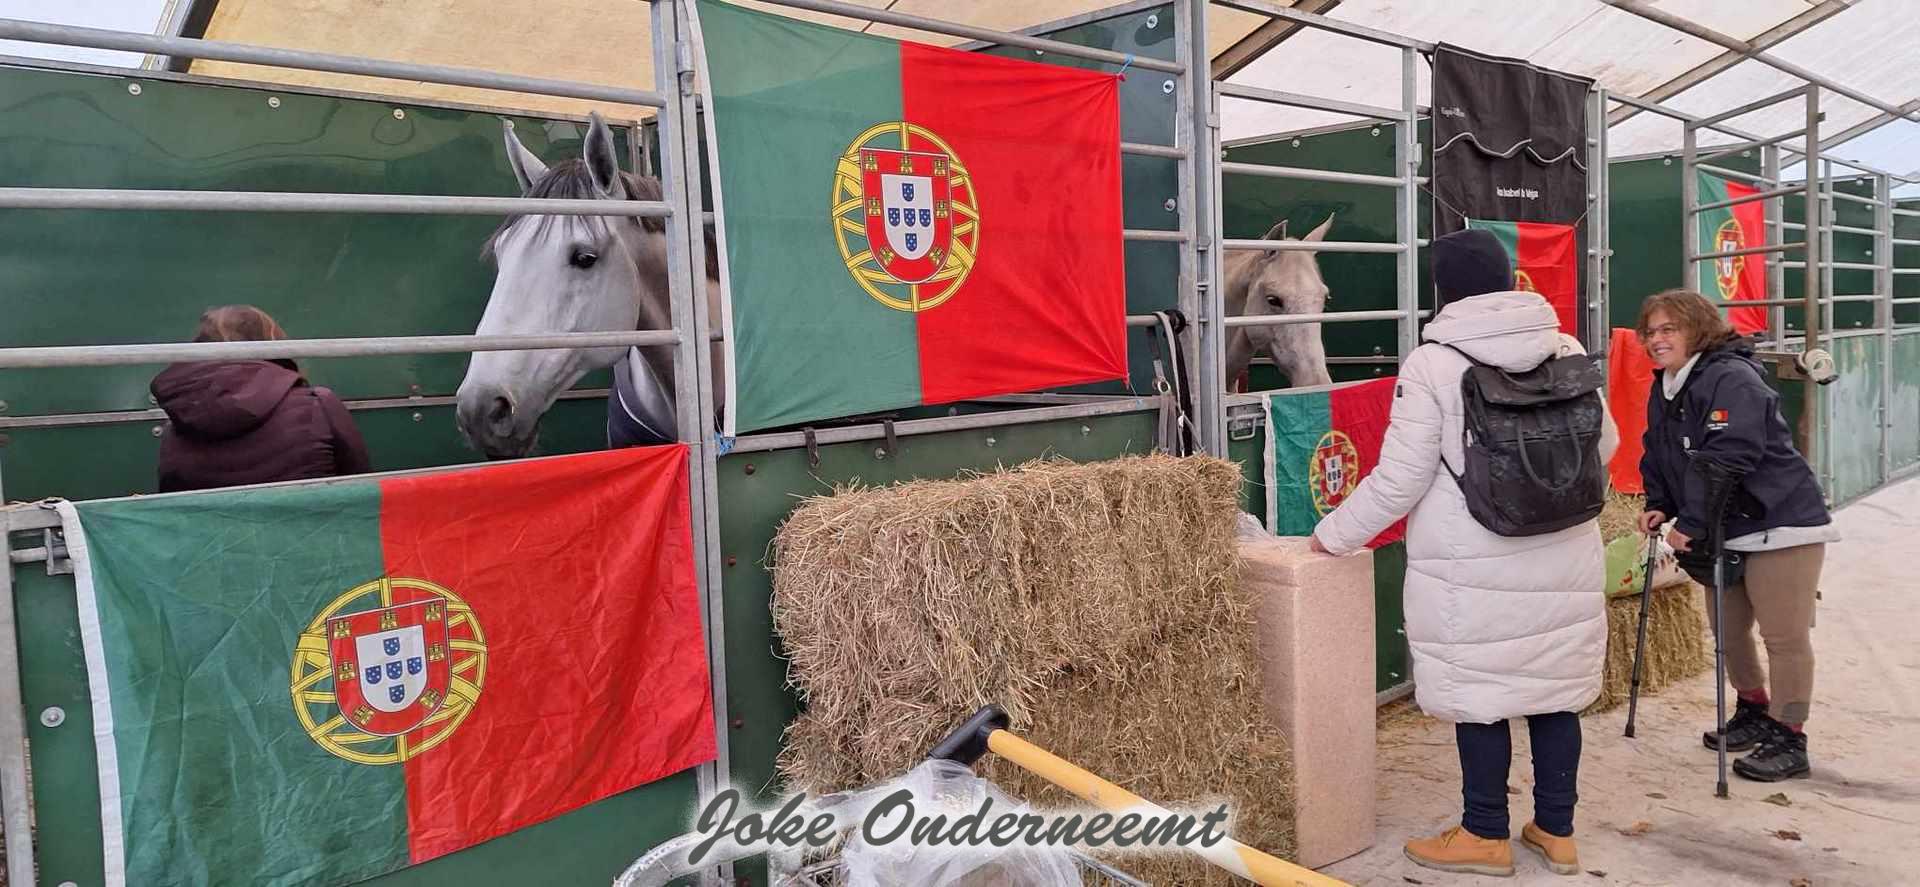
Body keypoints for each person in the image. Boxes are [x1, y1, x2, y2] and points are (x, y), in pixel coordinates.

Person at [1309, 228, 1617, 877]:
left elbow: (1400, 479)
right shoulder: (1562, 344)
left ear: (1443, 288)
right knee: (1554, 690)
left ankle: (1483, 833)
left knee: (1484, 693)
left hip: (1474, 557)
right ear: (1507, 278)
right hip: (1564, 544)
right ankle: (1556, 830)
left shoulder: (1435, 362)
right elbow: (1606, 443)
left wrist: (1331, 536)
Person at [1634, 288, 1834, 782]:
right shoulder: (1666, 384)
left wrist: (1694, 524)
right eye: (1651, 332)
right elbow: (1658, 451)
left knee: (1783, 636)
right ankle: (1752, 708)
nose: (1657, 340)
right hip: (1726, 526)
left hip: (1780, 523)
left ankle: (1791, 735)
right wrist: (1660, 503)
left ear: (1698, 329)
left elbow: (1727, 457)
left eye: (1669, 329)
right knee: (1728, 629)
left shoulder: (1731, 377)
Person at [152, 305, 371, 492]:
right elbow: (362, 488)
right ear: (274, 343)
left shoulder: (178, 423)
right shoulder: (319, 404)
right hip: (310, 536)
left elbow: (174, 503)